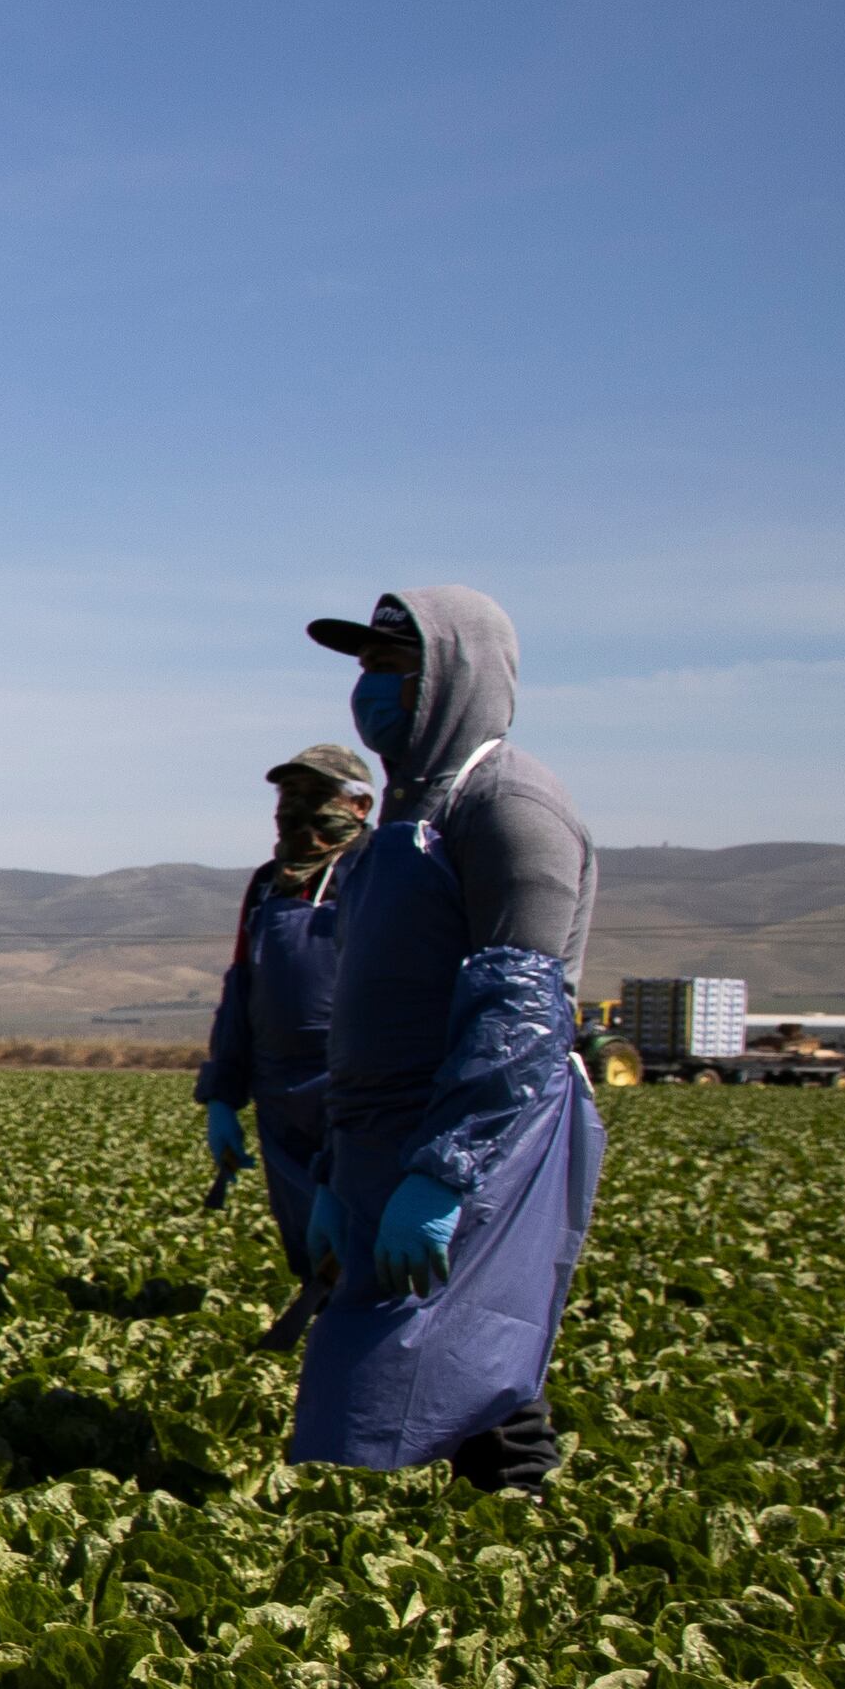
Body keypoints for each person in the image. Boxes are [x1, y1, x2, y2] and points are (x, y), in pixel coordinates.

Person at [292, 587, 594, 1493]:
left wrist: (446, 1170)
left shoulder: (507, 804)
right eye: (367, 668)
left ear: (458, 677)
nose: (372, 689)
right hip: (384, 1127)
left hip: (475, 1129)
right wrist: (336, 1165)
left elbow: (519, 1009)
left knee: (454, 1356)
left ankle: (512, 1540)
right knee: (435, 1357)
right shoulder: (401, 817)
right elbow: (369, 1010)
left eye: (396, 667)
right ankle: (483, 1535)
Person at [200, 742, 373, 1349]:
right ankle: (322, 1337)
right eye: (287, 806)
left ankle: (359, 1350)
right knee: (305, 1234)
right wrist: (223, 1095)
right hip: (279, 1093)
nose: (299, 822)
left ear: (359, 807)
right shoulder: (268, 886)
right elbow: (241, 987)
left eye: (316, 806)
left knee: (362, 1234)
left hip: (356, 1087)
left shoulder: (376, 874)